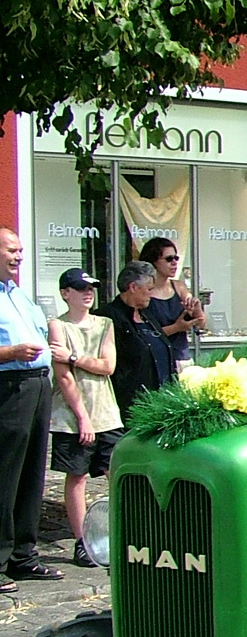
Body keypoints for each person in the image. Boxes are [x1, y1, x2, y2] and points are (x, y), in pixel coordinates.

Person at [0, 227, 63, 590]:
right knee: (6, 476)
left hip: (38, 387)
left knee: (31, 476)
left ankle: (24, 556)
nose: (19, 256)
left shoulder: (20, 297)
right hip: (9, 388)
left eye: (21, 250)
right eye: (11, 250)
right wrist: (10, 353)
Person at [48, 269, 122, 566]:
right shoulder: (57, 326)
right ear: (66, 293)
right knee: (76, 475)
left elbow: (108, 366)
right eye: (80, 288)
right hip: (70, 416)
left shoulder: (105, 324)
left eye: (90, 287)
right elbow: (64, 377)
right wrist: (83, 418)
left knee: (115, 472)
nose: (88, 293)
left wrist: (75, 357)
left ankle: (120, 532)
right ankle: (82, 541)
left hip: (106, 410)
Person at [99, 261, 175, 420]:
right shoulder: (108, 317)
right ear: (133, 287)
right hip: (130, 407)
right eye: (149, 289)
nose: (152, 294)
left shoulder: (147, 315)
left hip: (161, 403)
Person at [136, 237, 206, 368]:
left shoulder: (179, 287)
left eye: (176, 258)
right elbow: (144, 335)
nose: (174, 263)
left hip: (180, 357)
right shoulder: (144, 292)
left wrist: (196, 309)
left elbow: (200, 324)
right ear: (153, 262)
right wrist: (176, 328)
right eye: (169, 259)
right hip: (155, 360)